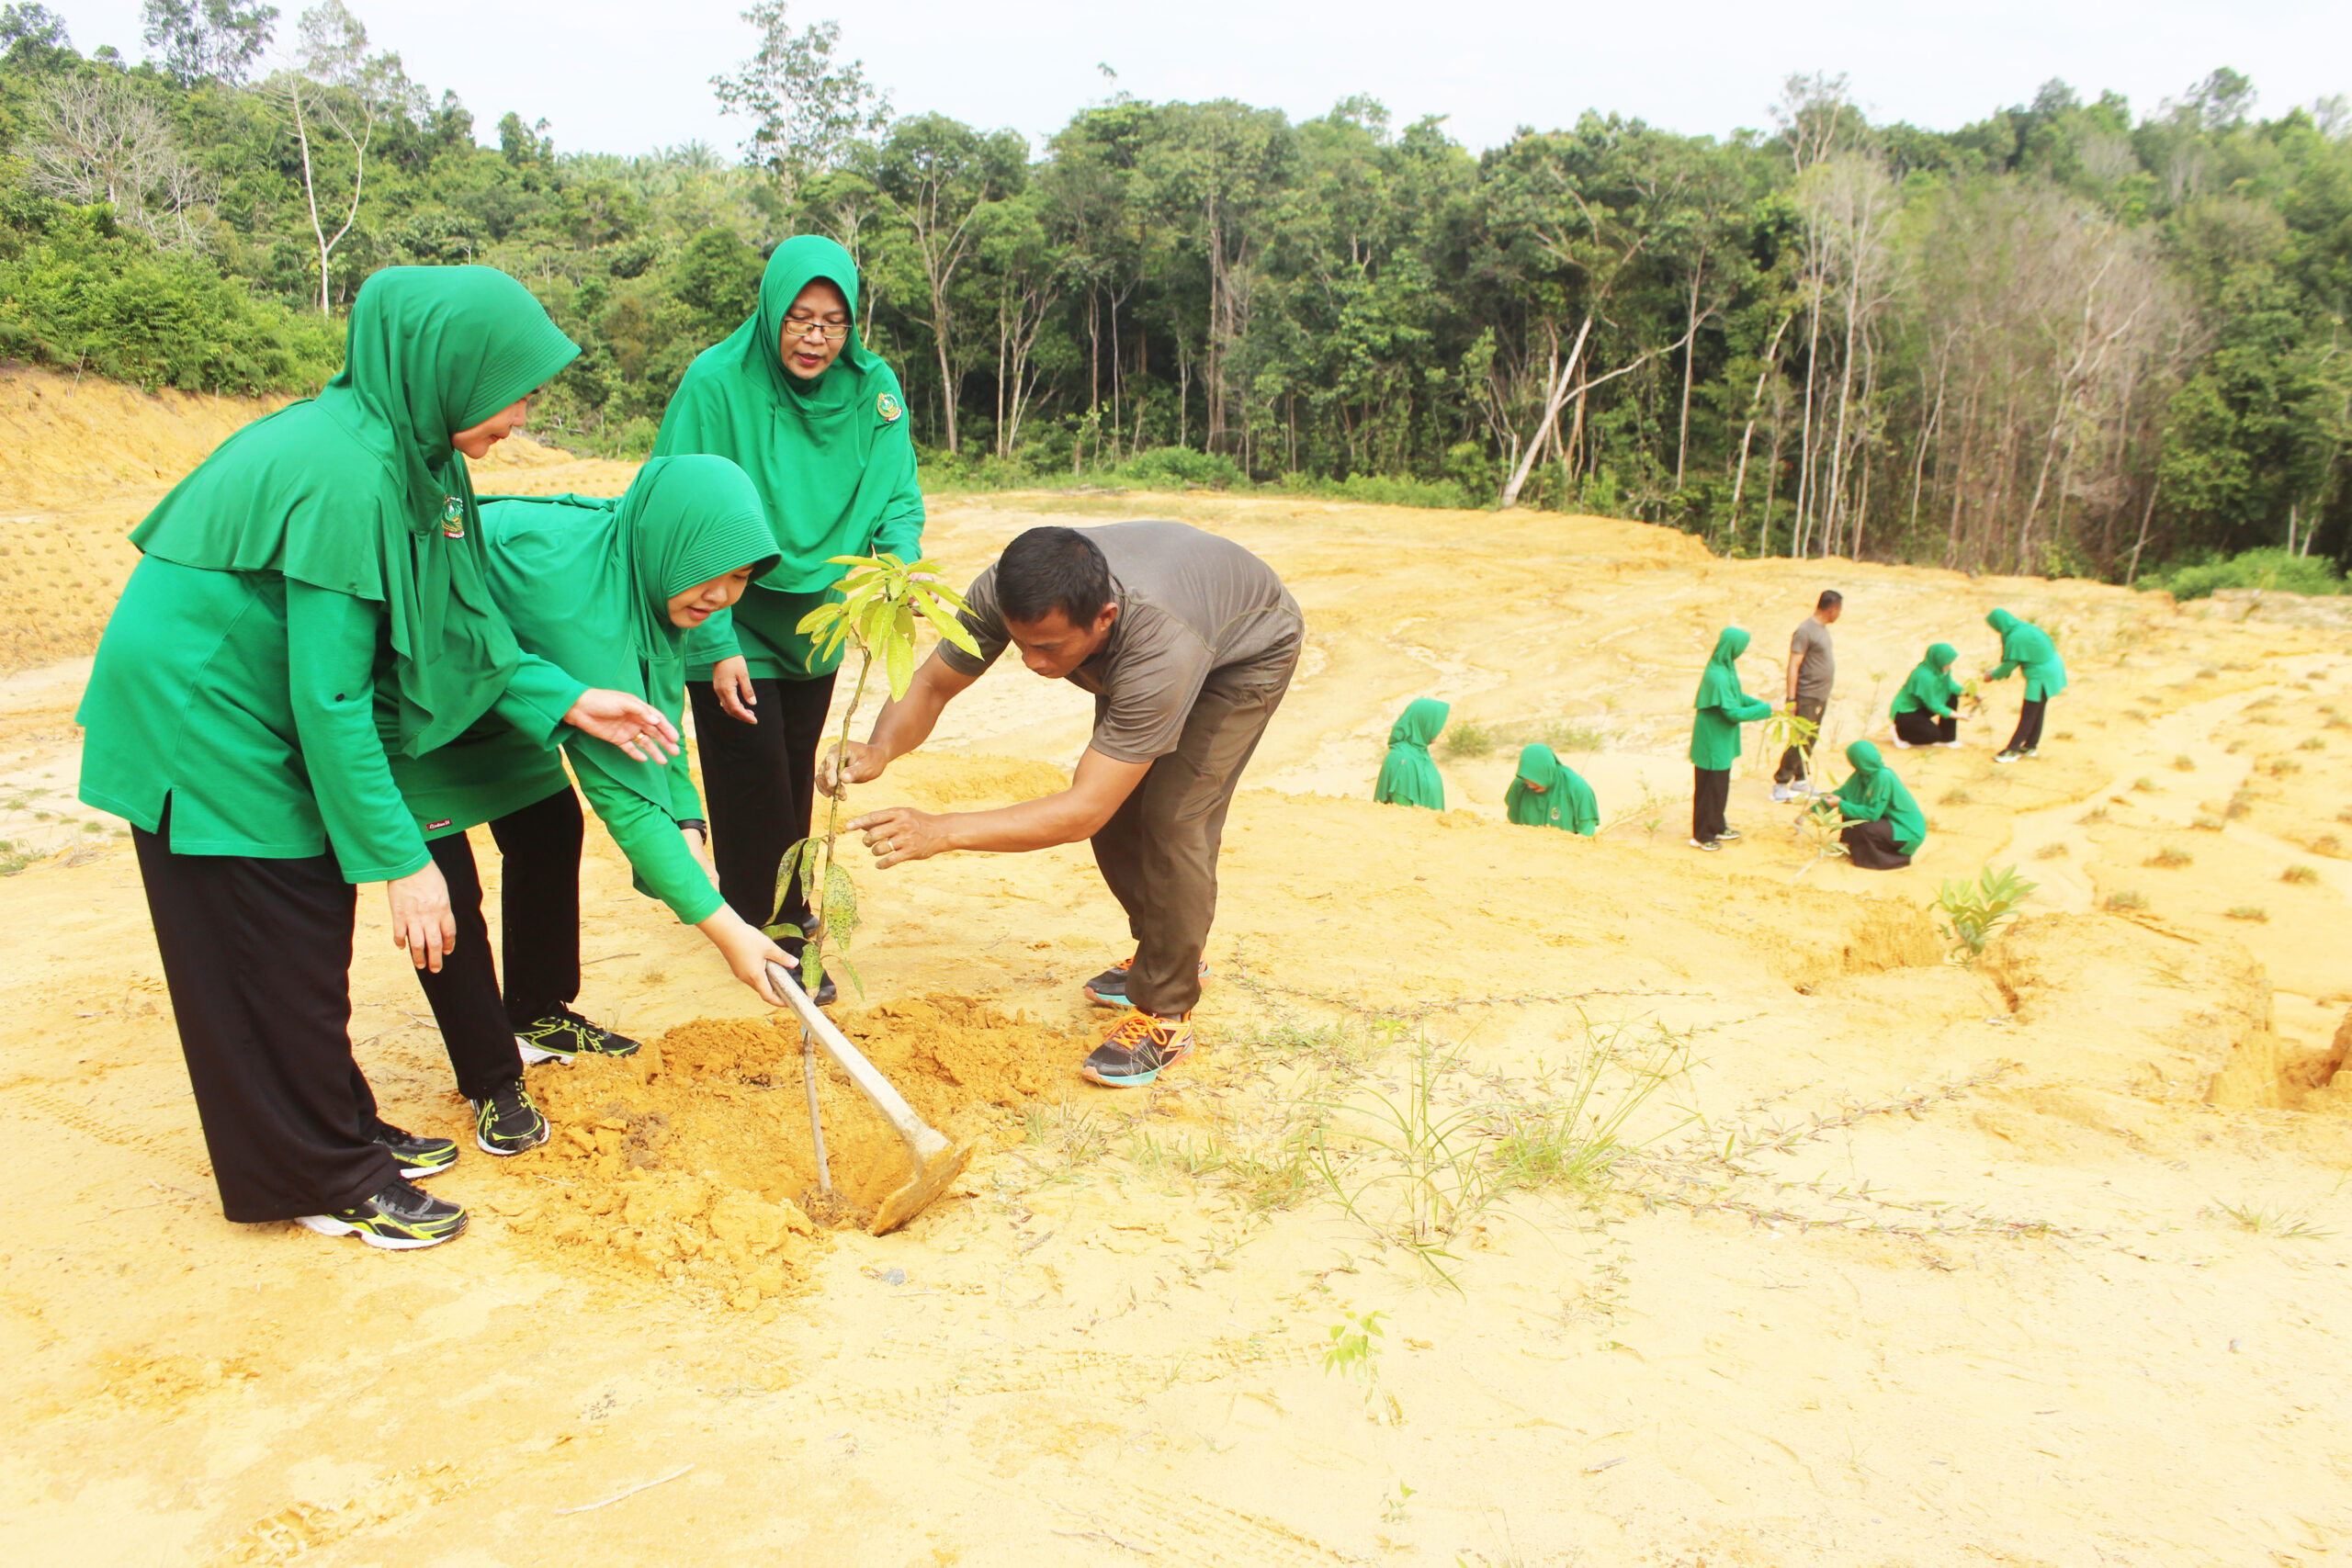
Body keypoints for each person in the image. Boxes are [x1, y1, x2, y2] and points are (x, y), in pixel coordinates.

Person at [76, 266, 680, 1250]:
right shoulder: (349, 471)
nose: (522, 416)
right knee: (276, 939)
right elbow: (331, 693)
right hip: (209, 716)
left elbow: (455, 624)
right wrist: (400, 858)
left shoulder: (418, 458)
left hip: (260, 705)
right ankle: (321, 1173)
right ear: (445, 370)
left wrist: (564, 696)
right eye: (513, 390)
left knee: (300, 932)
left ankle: (333, 1127)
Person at [389, 457, 800, 1156]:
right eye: (714, 572)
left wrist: (691, 823)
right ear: (674, 541)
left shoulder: (649, 572)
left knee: (548, 827)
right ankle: (491, 1078)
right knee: (443, 892)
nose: (723, 595)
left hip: (518, 687)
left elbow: (655, 727)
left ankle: (538, 1011)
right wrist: (729, 930)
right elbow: (626, 797)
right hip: (424, 696)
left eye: (740, 580)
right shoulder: (583, 601)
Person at [826, 523, 1302, 1089]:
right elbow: (932, 684)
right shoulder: (1003, 591)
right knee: (1122, 809)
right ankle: (1168, 950)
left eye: (1048, 647)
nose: (1030, 662)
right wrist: (880, 748)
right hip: (1178, 617)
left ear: (1103, 617)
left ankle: (1167, 1009)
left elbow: (1082, 811)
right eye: (1019, 642)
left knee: (1175, 816)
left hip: (1245, 649)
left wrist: (942, 831)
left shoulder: (1157, 644)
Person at [652, 235, 922, 1008]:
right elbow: (676, 505)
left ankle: (761, 908)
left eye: (834, 322)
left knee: (788, 770)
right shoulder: (715, 384)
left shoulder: (874, 392)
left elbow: (899, 498)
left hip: (822, 622)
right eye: (800, 318)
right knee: (751, 775)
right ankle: (781, 939)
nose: (815, 338)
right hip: (728, 611)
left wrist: (895, 572)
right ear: (771, 311)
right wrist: (711, 640)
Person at [1690, 627, 1773, 852]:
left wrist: (1759, 704)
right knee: (1710, 788)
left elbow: (1735, 696)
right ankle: (1702, 835)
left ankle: (1717, 825)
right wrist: (1766, 711)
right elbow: (1732, 713)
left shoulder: (1725, 668)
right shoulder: (1716, 675)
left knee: (1719, 786)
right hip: (1712, 741)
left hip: (1721, 739)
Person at [1772, 590, 1841, 803]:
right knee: (1799, 738)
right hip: (1806, 695)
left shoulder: (1822, 630)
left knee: (1810, 737)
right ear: (1832, 609)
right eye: (1839, 610)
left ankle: (1800, 779)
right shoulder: (1805, 630)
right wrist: (1791, 698)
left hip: (1820, 695)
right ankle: (1781, 782)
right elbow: (1794, 664)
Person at [1984, 608, 2067, 763]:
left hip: (2041, 675)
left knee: (2029, 712)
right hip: (2051, 668)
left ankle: (2012, 750)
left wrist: (1993, 675)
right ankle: (2030, 745)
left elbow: (2009, 665)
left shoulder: (2015, 638)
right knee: (2037, 709)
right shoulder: (2022, 628)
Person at [1831, 741, 1926, 870]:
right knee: (1850, 811)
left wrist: (1840, 804)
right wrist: (1808, 812)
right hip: (1892, 823)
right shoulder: (1861, 776)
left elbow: (1873, 814)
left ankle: (1889, 860)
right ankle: (1849, 848)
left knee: (1865, 826)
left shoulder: (1883, 776)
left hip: (1907, 832)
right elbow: (1840, 794)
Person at [1505, 743, 1599, 836]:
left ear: (1547, 771)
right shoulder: (1520, 786)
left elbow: (1586, 834)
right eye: (1526, 780)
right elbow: (1514, 825)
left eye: (1535, 780)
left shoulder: (1578, 788)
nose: (1530, 786)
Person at [1373, 698, 1448, 809]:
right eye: (1435, 723)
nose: (1440, 729)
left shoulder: (1420, 753)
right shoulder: (1402, 760)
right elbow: (1403, 815)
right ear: (1424, 723)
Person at [1891, 642, 1965, 749]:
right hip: (1906, 712)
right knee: (1932, 735)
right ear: (1939, 660)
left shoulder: (1941, 669)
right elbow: (1934, 705)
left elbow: (1949, 685)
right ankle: (1900, 732)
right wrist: (1961, 716)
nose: (1950, 664)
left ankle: (1947, 738)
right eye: (1947, 662)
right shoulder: (1924, 676)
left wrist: (1969, 693)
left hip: (1922, 706)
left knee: (1952, 696)